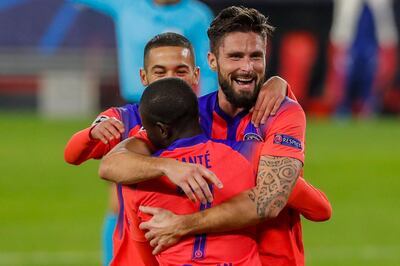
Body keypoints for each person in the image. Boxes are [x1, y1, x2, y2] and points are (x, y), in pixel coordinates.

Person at [100, 6, 331, 266]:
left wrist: (183, 225)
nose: (247, 67)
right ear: (212, 61)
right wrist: (167, 166)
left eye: (256, 56)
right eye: (235, 56)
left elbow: (268, 202)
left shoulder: (282, 112)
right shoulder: (188, 114)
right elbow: (111, 164)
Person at [64, 32, 290, 265]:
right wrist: (92, 134)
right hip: (139, 251)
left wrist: (279, 83)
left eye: (180, 71)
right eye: (160, 72)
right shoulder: (127, 118)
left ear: (196, 75)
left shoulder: (209, 119)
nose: (170, 78)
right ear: (144, 76)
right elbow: (76, 155)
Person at [131, 77, 264, 265]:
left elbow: (143, 256)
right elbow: (319, 209)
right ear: (199, 118)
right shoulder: (246, 158)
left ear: (161, 130)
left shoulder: (143, 181)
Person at [71, 0, 217, 100]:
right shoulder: (128, 6)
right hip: (134, 102)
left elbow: (207, 67)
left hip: (178, 102)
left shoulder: (197, 15)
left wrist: (206, 105)